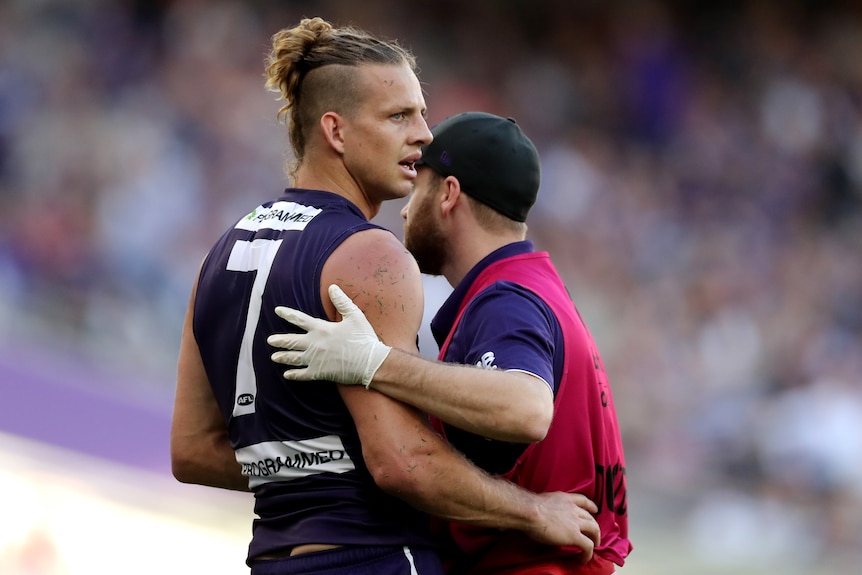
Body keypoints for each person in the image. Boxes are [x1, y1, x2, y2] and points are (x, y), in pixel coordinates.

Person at [169, 18, 601, 575]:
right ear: (337, 131)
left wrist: (309, 460)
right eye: (399, 116)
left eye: (422, 113)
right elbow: (401, 464)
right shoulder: (370, 255)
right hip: (373, 556)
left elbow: (192, 450)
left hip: (274, 560)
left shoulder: (221, 252)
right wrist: (533, 512)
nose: (424, 136)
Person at [267, 112, 633, 574]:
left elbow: (526, 408)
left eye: (418, 186)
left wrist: (372, 362)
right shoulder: (529, 287)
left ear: (448, 194)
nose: (403, 208)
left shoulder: (507, 299)